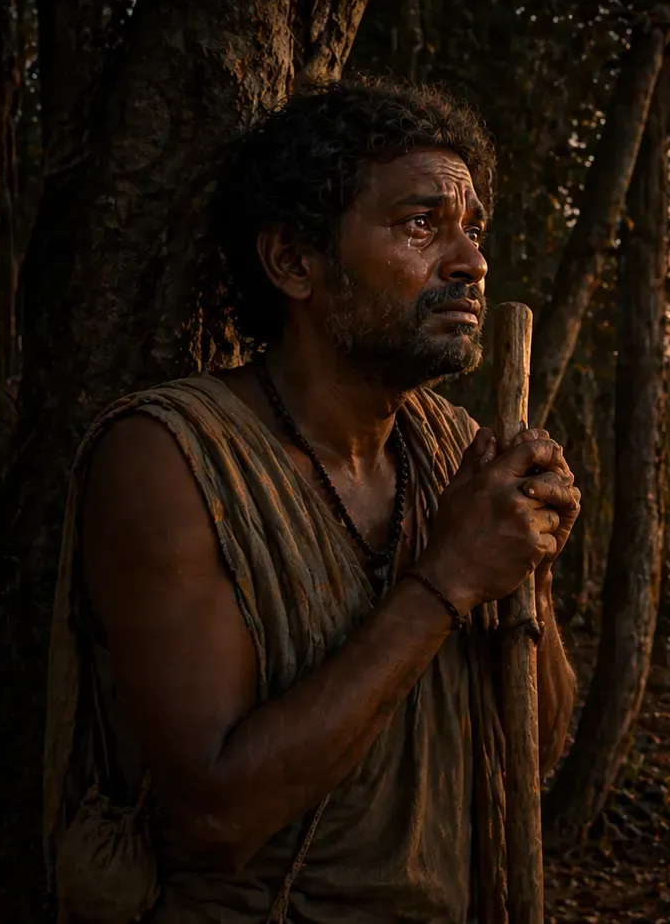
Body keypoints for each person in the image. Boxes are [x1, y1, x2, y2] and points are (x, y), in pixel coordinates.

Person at [43, 82, 581, 923]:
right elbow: (216, 818)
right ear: (294, 261)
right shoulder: (172, 457)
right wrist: (448, 577)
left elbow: (531, 751)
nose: (471, 260)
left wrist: (527, 577)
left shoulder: (459, 457)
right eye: (419, 224)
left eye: (472, 229)